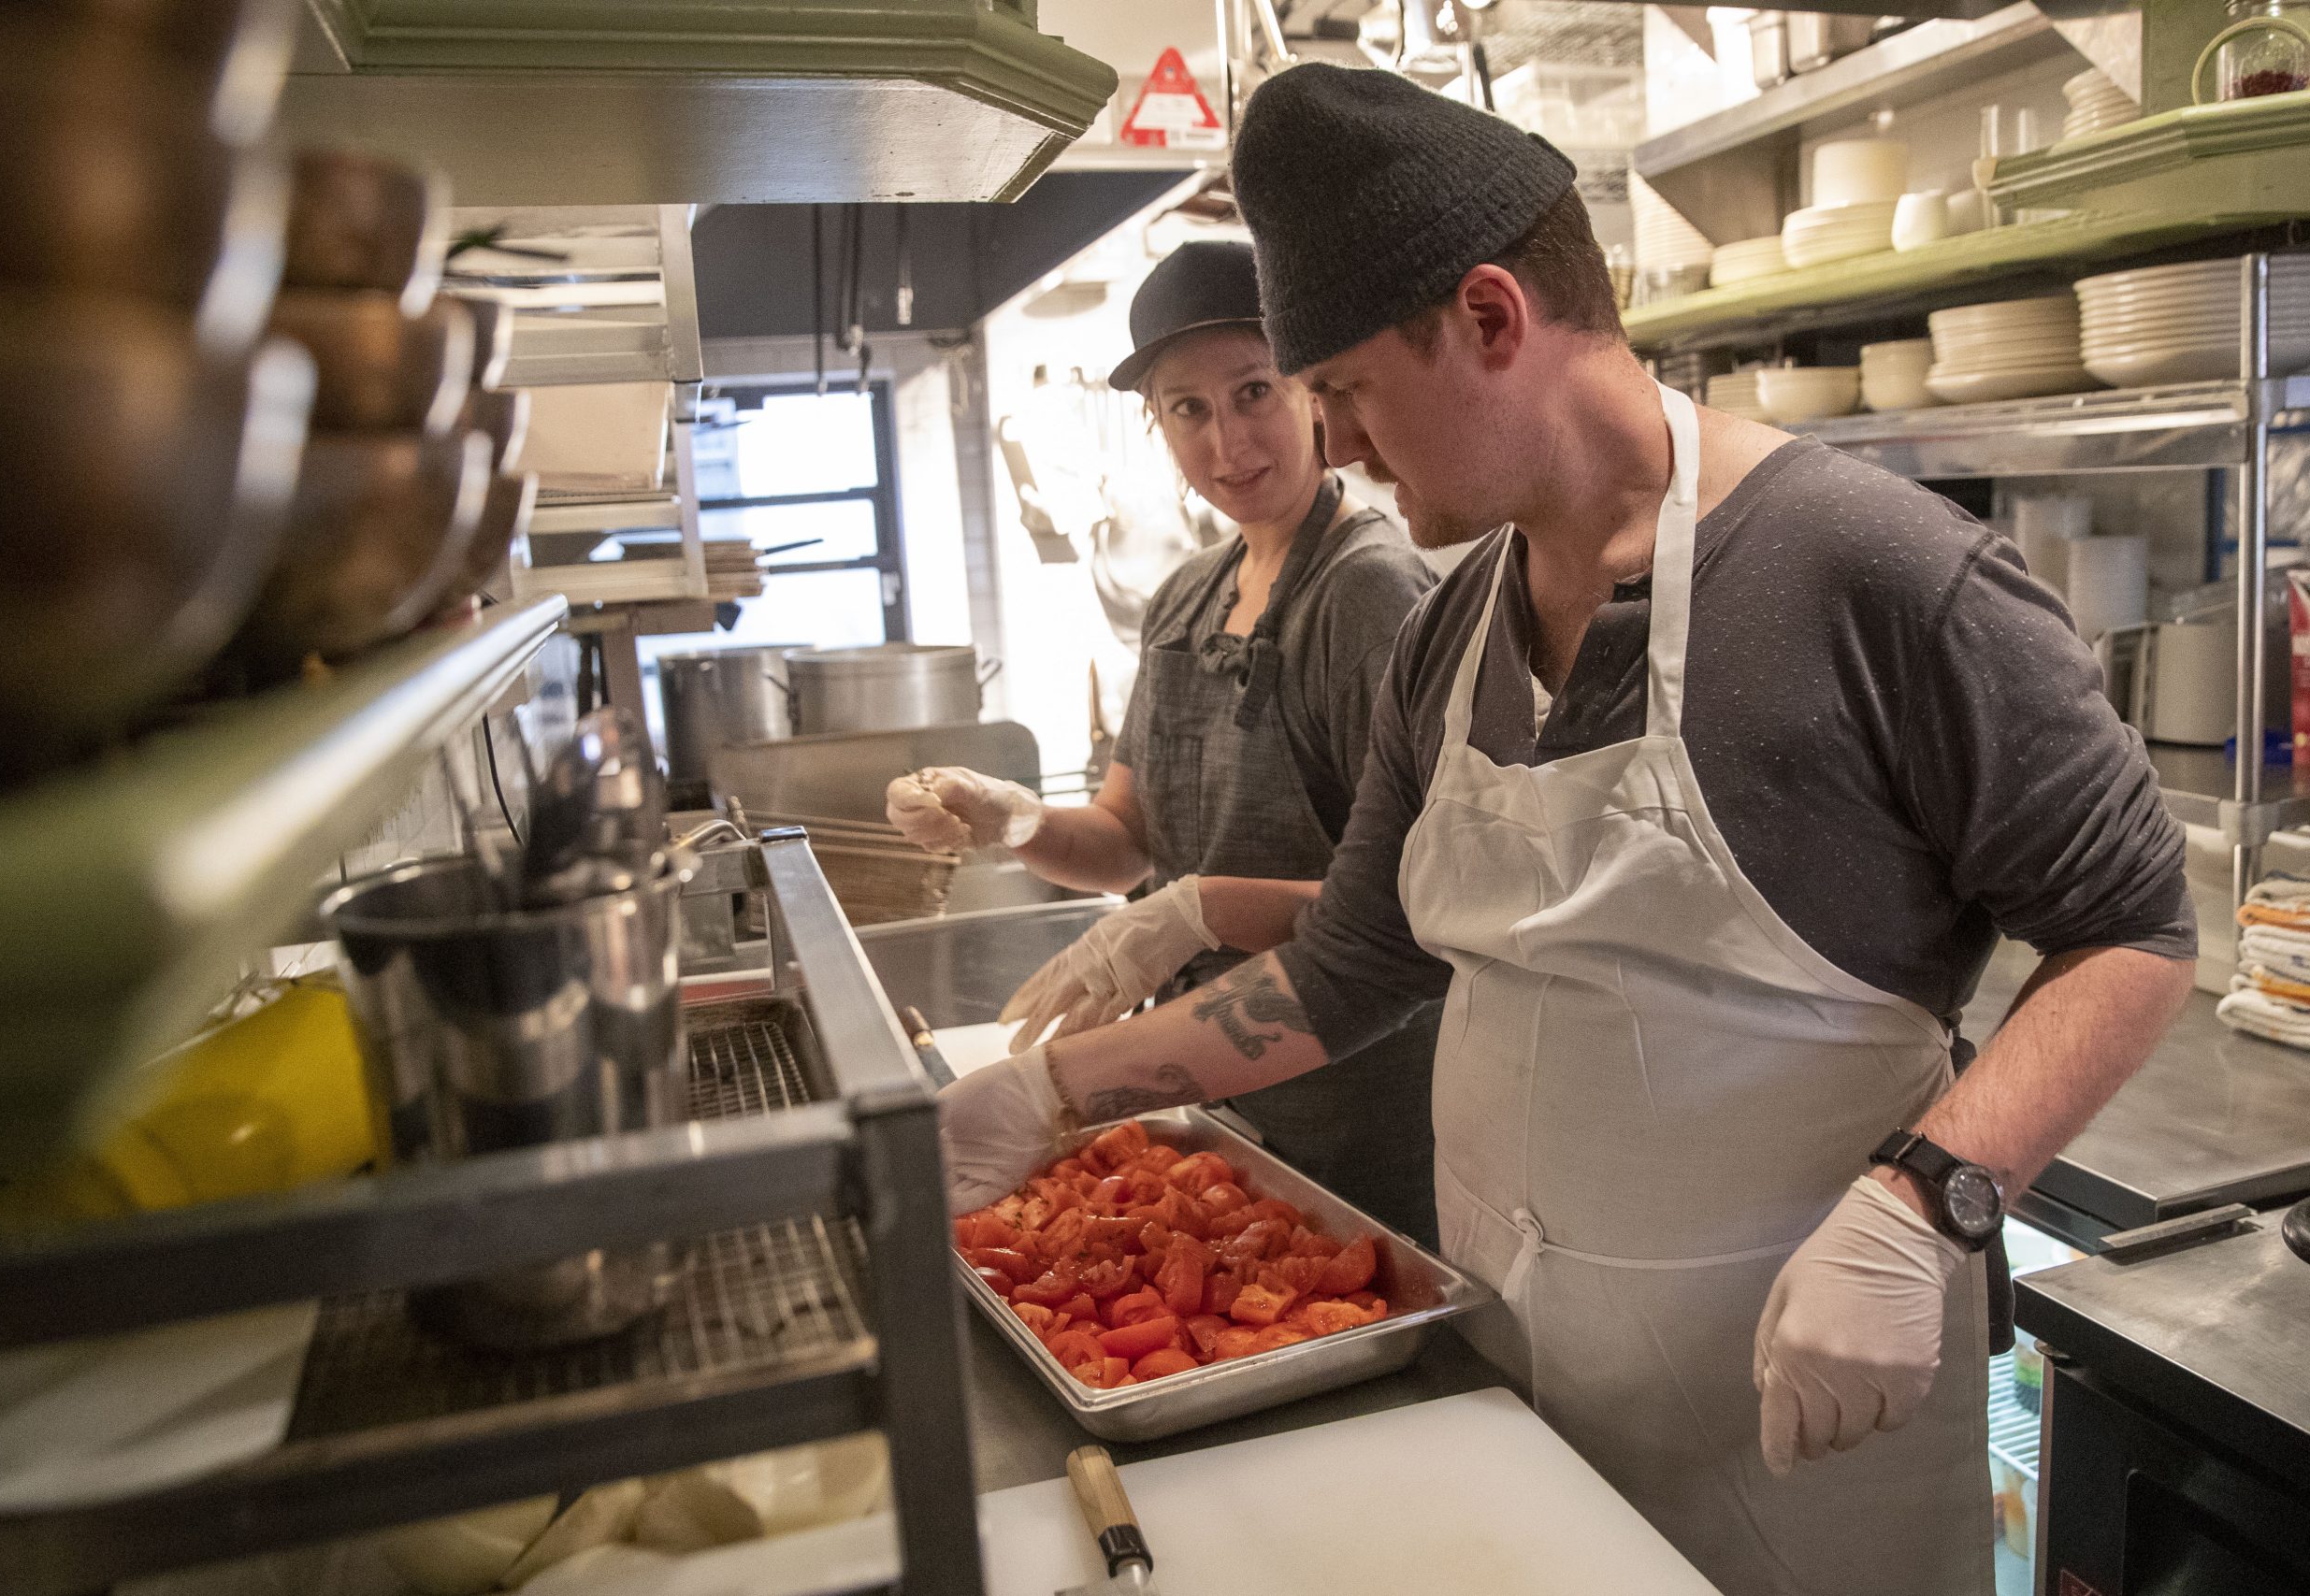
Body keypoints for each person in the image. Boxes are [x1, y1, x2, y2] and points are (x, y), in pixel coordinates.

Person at [936, 65, 2195, 1595]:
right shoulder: (1451, 634)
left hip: (1807, 1404)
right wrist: (1058, 1090)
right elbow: (1352, 966)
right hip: (1522, 1385)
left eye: (1341, 390)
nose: (1334, 446)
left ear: (1487, 319)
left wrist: (1930, 1201)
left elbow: (2133, 925)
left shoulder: (1876, 580)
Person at [888, 240, 1443, 1244]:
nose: (1227, 443)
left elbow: (1426, 908)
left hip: (1356, 1097)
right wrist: (1010, 818)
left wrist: (1201, 910)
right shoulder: (1186, 597)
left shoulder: (1368, 593)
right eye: (1187, 409)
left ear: (1314, 391)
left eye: (1252, 392)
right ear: (1155, 424)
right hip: (1212, 1088)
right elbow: (1123, 840)